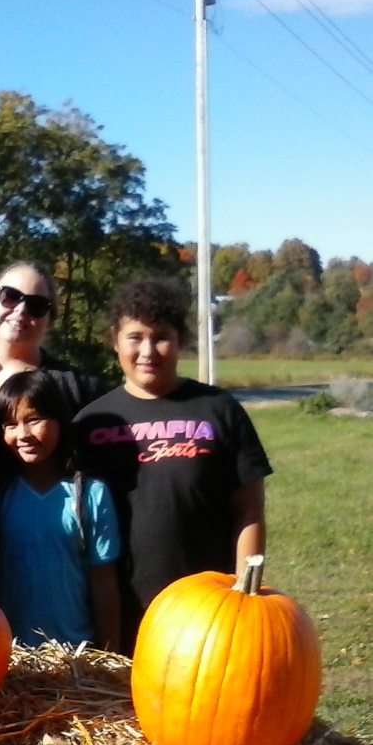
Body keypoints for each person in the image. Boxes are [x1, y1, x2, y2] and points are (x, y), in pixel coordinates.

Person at [73, 278, 273, 656]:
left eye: (161, 336)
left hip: (206, 615)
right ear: (114, 339)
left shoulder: (219, 410)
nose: (148, 350)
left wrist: (243, 596)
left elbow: (249, 511)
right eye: (135, 337)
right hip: (117, 613)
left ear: (180, 340)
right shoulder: (90, 422)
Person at [0, 259, 106, 493]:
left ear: (49, 319)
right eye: (11, 296)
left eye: (37, 305)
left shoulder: (76, 390)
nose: (21, 310)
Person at [0, 370, 121, 652]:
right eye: (10, 424)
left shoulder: (91, 495)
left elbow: (104, 581)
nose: (23, 434)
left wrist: (110, 654)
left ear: (60, 420)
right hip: (7, 655)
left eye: (34, 420)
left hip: (76, 655)